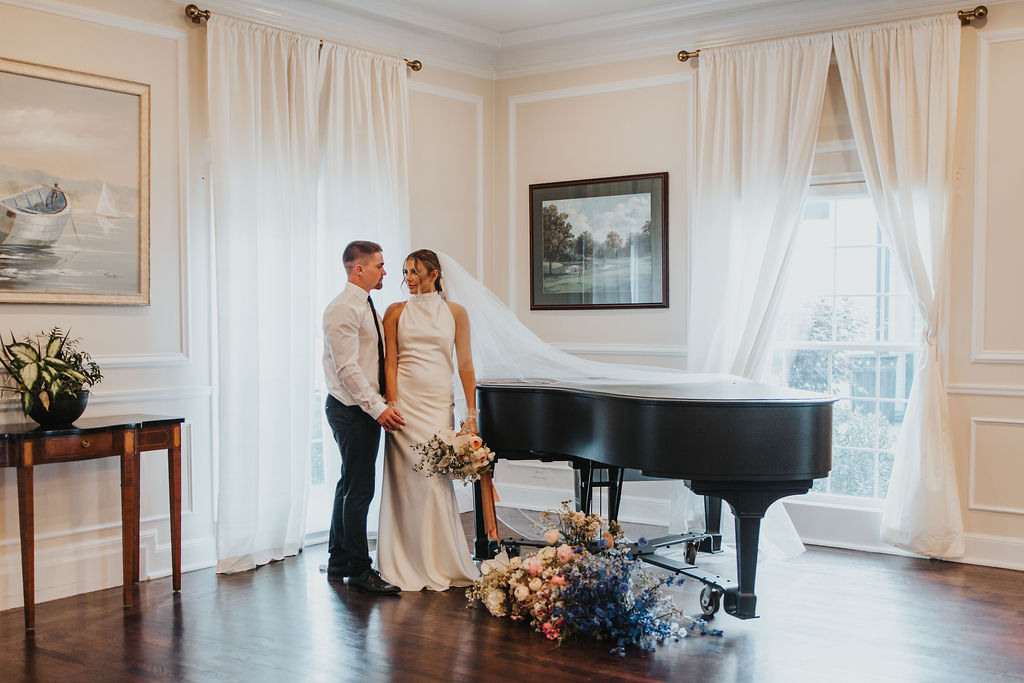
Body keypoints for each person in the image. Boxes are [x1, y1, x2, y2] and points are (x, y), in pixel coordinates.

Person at [376, 249, 481, 591]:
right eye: (405, 272)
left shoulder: (456, 313)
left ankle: (440, 559)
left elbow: (464, 364)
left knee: (434, 481)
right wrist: (391, 403)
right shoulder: (395, 311)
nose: (407, 279)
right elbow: (389, 362)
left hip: (438, 405)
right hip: (404, 405)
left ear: (434, 274)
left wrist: (471, 414)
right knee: (404, 483)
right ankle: (401, 560)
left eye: (415, 272)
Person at [322, 240, 405, 595]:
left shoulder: (365, 304)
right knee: (359, 491)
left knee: (349, 485)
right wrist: (378, 408)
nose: (385, 271)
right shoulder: (343, 308)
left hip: (360, 408)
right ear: (359, 268)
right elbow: (348, 370)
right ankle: (359, 570)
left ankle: (339, 560)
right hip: (352, 409)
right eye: (380, 265)